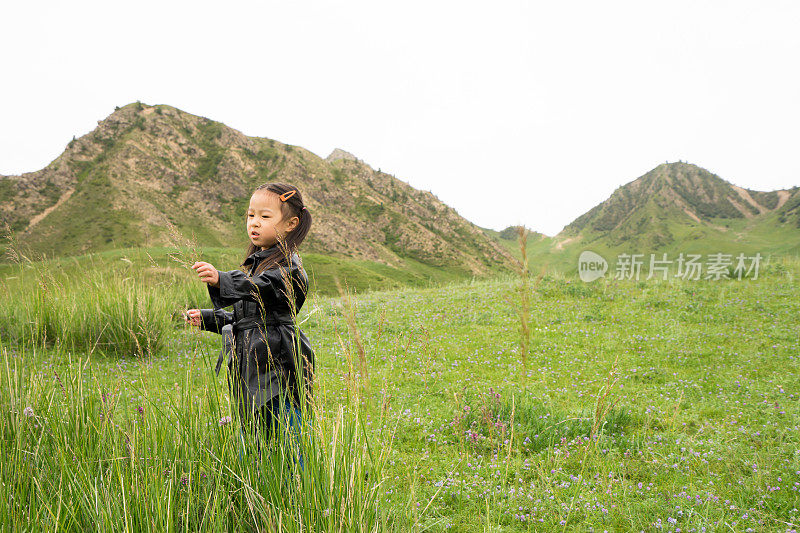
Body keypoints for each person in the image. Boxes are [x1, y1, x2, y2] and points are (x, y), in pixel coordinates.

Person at [184, 182, 315, 459]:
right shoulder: (258, 263)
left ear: (291, 223)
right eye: (250, 215)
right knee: (253, 435)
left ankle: (295, 493)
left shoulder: (289, 268)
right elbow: (244, 318)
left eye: (265, 217)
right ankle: (256, 491)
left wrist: (223, 279)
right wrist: (208, 318)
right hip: (252, 368)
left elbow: (262, 287)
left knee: (287, 435)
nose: (254, 223)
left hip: (277, 365)